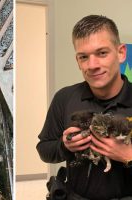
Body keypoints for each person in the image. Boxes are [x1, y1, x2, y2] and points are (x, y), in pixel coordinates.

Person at [36, 15, 132, 200]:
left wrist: (128, 155)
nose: (92, 65)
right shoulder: (64, 98)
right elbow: (44, 149)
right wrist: (65, 146)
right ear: (77, 60)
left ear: (121, 53)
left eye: (102, 53)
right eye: (84, 57)